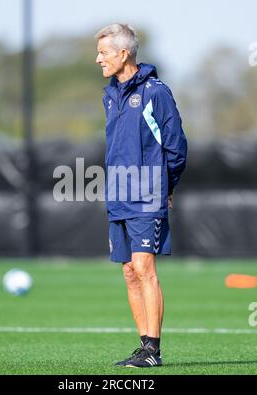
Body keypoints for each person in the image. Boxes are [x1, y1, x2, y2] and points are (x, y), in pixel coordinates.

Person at [95, 23, 187, 368]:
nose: (98, 59)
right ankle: (143, 346)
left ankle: (154, 351)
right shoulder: (109, 94)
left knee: (145, 268)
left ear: (123, 54)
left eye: (103, 52)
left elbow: (176, 145)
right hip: (117, 194)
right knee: (129, 272)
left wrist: (167, 186)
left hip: (148, 192)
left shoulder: (156, 92)